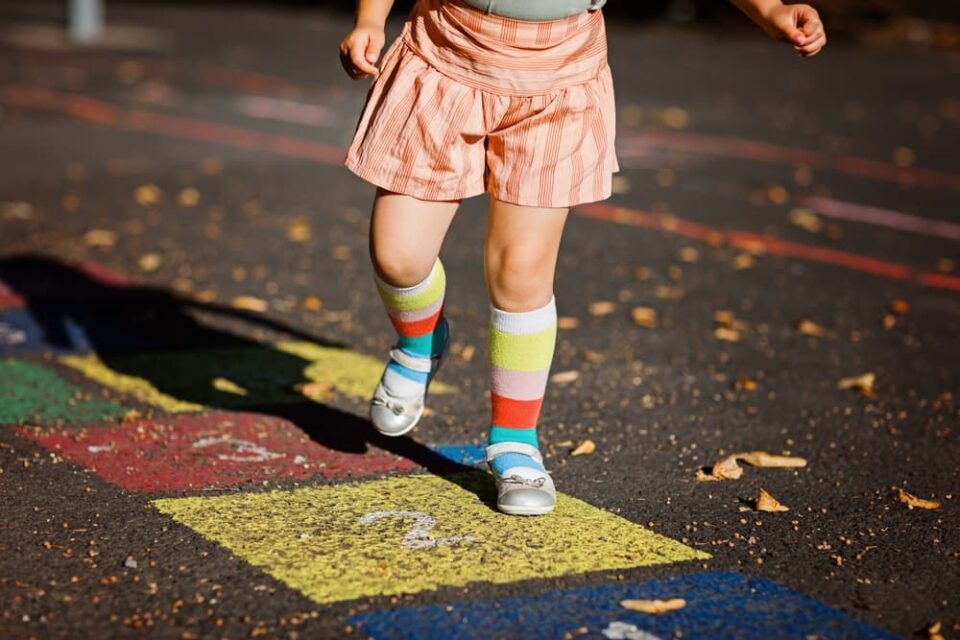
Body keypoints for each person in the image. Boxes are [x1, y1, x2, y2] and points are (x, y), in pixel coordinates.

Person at [339, 0, 826, 516]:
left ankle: (514, 441)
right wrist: (371, 19)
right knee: (397, 255)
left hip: (559, 80)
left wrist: (770, 9)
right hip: (446, 59)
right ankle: (420, 344)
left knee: (521, 270)